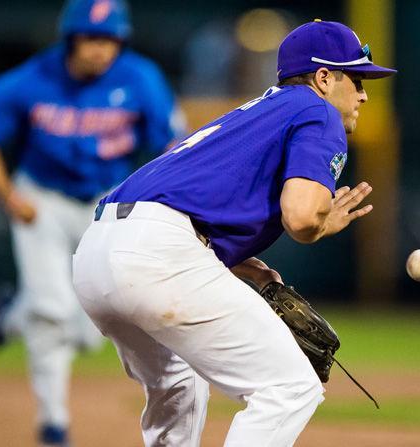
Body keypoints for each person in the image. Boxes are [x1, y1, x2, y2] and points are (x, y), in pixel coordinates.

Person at [73, 19, 396, 446]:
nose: (363, 94)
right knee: (288, 386)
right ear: (323, 78)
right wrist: (319, 223)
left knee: (179, 384)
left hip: (97, 254)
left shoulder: (255, 115)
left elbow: (187, 206)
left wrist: (243, 265)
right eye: (356, 79)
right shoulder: (318, 111)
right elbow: (300, 218)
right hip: (157, 254)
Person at [0, 0, 182, 445]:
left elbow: (174, 146)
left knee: (93, 324)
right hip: (40, 199)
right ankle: (53, 424)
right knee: (52, 313)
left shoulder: (140, 78)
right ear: (70, 39)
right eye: (92, 38)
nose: (101, 49)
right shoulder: (34, 79)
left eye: (110, 39)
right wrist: (9, 197)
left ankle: (8, 316)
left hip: (106, 203)